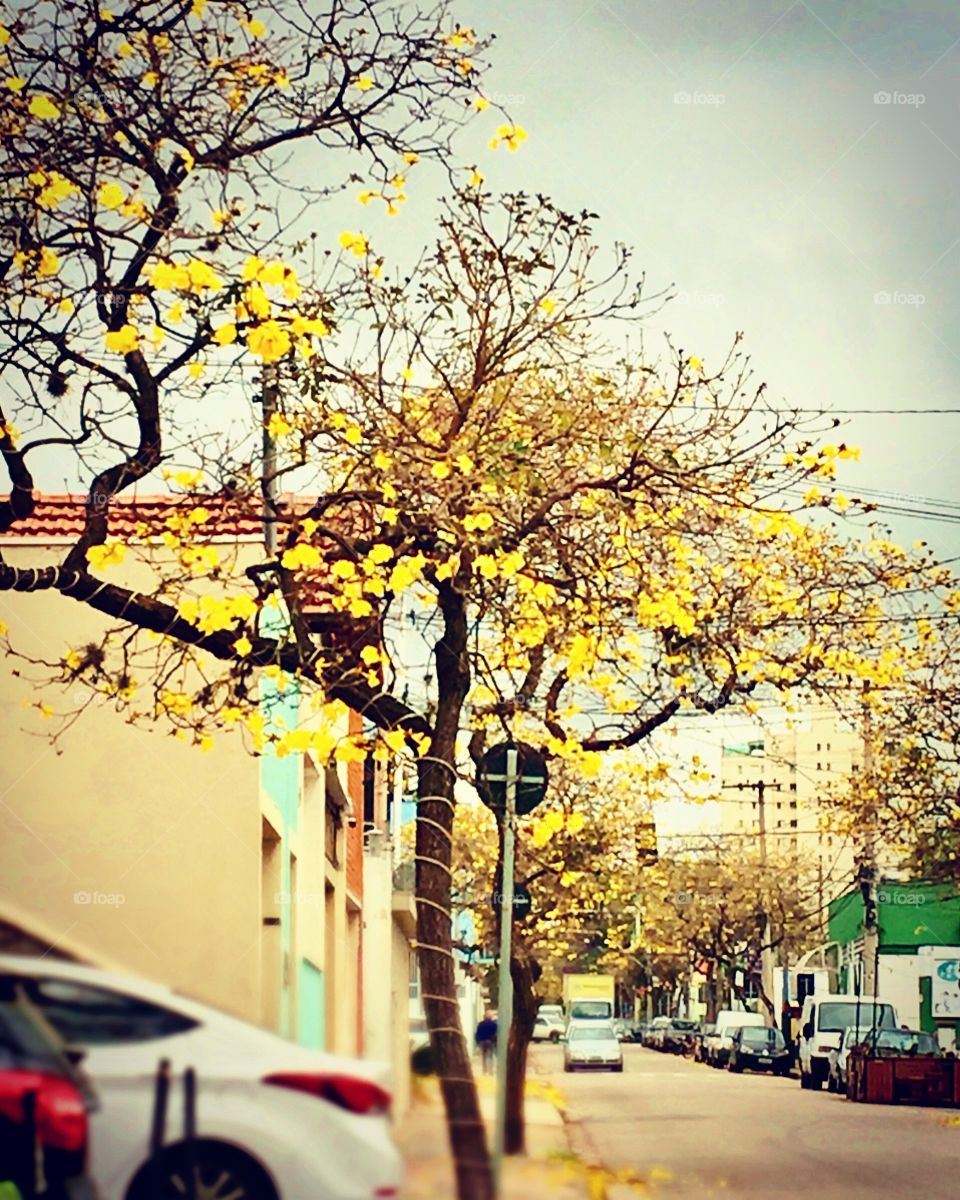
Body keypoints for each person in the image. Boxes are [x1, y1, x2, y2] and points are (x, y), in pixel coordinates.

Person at [475, 1010, 497, 1074]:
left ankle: (484, 1071)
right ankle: (490, 1071)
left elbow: (477, 1033)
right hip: (490, 1041)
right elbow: (495, 1033)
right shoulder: (494, 1024)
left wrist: (477, 1042)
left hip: (482, 1042)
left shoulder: (480, 1024)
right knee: (490, 1056)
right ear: (491, 1017)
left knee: (483, 1057)